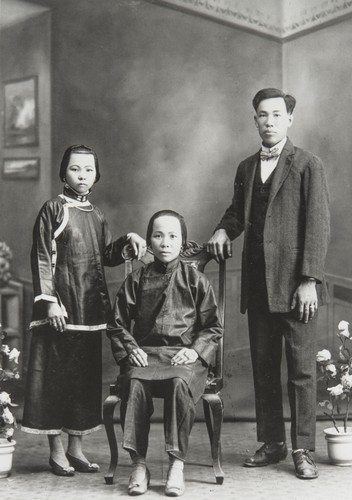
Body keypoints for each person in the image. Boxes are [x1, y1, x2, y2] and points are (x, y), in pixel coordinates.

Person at [207, 88, 330, 480]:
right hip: (259, 287)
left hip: (297, 289)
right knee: (263, 367)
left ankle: (303, 448)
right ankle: (273, 442)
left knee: (301, 372)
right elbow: (236, 213)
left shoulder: (308, 165)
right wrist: (224, 231)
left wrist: (309, 280)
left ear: (290, 119)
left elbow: (317, 227)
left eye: (277, 115)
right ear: (254, 120)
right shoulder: (246, 168)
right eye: (263, 115)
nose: (270, 121)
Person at [21, 144, 146, 476]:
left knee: (83, 381)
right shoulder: (53, 209)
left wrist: (126, 241)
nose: (82, 175)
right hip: (60, 310)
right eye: (76, 169)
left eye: (89, 169)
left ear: (96, 175)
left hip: (90, 311)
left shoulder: (97, 214)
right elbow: (42, 258)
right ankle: (56, 450)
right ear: (63, 173)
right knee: (55, 379)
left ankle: (76, 447)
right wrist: (49, 302)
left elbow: (104, 256)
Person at [107, 210, 223, 496]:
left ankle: (176, 464)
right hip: (145, 355)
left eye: (173, 236)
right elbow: (117, 323)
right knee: (134, 382)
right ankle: (139, 464)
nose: (165, 242)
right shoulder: (137, 278)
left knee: (178, 383)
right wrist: (131, 348)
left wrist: (195, 352)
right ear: (149, 241)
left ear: (182, 243)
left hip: (184, 358)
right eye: (158, 236)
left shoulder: (195, 280)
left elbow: (212, 327)